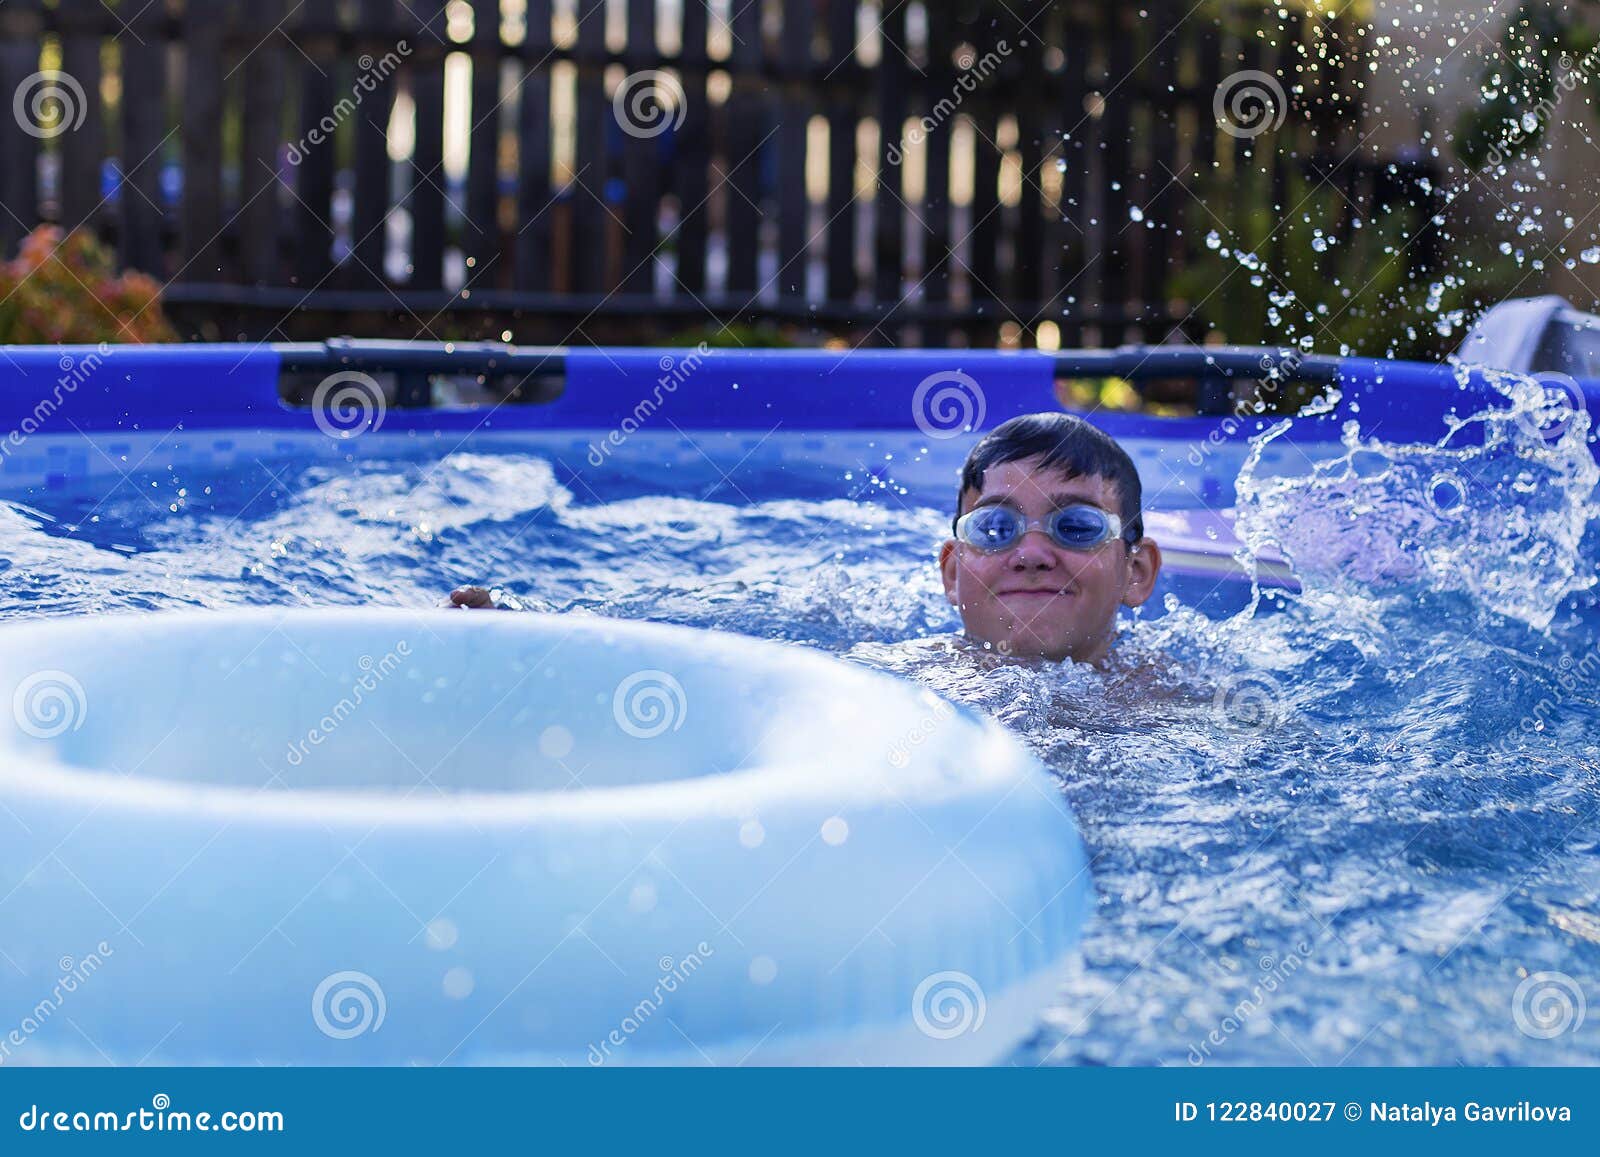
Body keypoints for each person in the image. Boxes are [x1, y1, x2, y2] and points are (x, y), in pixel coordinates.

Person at [452, 411, 1163, 666]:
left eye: (1074, 525)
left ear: (1137, 570)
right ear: (952, 570)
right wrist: (535, 639)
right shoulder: (906, 674)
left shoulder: (1181, 707)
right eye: (996, 527)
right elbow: (707, 657)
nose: (1031, 551)